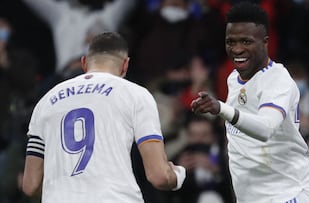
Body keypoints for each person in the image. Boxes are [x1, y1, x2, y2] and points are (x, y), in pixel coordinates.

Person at [21, 32, 186, 203]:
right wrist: (176, 175)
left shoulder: (46, 101)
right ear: (125, 65)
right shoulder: (136, 95)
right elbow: (158, 176)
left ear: (84, 63)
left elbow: (30, 185)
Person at [191, 2, 309, 203]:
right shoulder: (234, 79)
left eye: (246, 41)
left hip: (289, 194)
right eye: (230, 42)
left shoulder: (278, 80)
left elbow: (265, 129)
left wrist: (221, 108)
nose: (237, 49)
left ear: (265, 42)